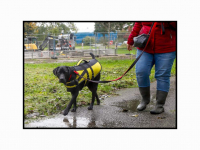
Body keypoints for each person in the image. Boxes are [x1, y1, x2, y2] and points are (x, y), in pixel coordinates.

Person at [127, 22, 176, 114]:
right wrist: (130, 39)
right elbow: (138, 23)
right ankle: (145, 99)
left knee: (163, 75)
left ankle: (159, 105)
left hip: (167, 47)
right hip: (145, 45)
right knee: (141, 72)